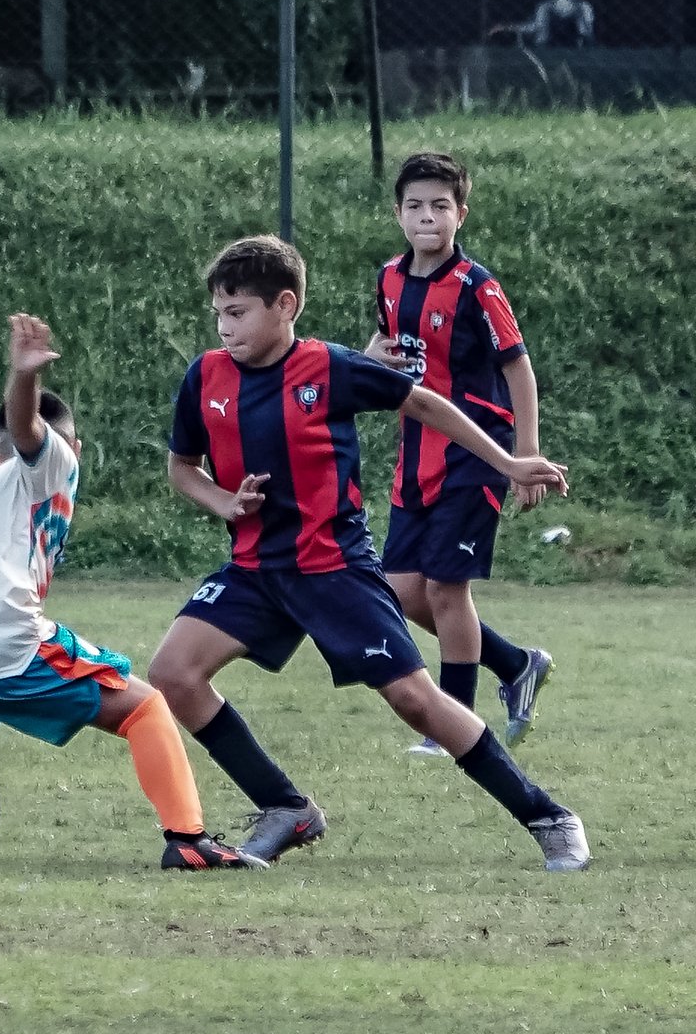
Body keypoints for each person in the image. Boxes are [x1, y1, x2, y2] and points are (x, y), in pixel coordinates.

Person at [147, 235, 590, 873]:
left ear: (285, 306)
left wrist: (509, 460)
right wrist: (221, 503)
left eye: (238, 312)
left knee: (416, 700)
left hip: (334, 569)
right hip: (254, 571)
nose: (226, 327)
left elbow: (425, 402)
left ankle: (548, 815)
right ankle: (285, 807)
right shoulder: (206, 376)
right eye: (218, 313)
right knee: (174, 675)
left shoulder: (329, 368)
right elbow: (182, 468)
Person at [0, 313, 266, 872]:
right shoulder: (51, 461)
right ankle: (188, 838)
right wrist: (25, 377)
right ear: (74, 446)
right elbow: (29, 431)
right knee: (145, 708)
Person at [367, 152, 553, 756]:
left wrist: (523, 452)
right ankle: (517, 664)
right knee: (400, 591)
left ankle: (453, 724)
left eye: (440, 206)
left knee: (447, 589)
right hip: (416, 453)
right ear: (399, 214)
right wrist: (371, 362)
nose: (428, 217)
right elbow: (386, 342)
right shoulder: (390, 278)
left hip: (477, 455)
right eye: (416, 206)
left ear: (460, 215)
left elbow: (518, 368)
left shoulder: (477, 286)